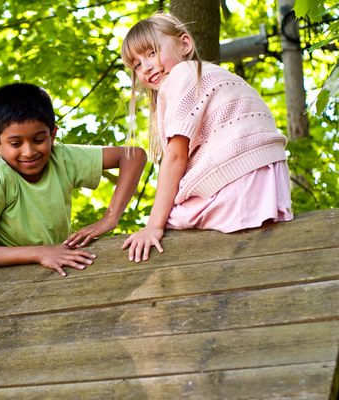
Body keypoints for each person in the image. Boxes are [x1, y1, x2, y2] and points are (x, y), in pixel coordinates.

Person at [119, 13, 293, 263]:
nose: (145, 67)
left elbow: (176, 157)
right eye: (136, 65)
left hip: (238, 183)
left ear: (185, 44)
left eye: (151, 52)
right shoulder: (216, 77)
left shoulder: (183, 73)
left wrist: (153, 226)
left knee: (169, 219)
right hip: (268, 187)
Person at [0, 83, 147, 277]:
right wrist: (40, 253)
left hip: (56, 268)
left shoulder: (62, 158)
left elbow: (133, 156)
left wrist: (110, 218)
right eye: (16, 143)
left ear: (52, 135)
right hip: (6, 277)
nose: (29, 152)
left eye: (38, 140)